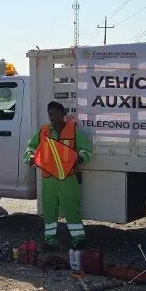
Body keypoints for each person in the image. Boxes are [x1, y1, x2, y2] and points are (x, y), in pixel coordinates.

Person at [23, 100, 93, 250]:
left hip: (67, 179)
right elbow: (31, 147)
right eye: (49, 114)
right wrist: (29, 156)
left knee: (71, 209)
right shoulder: (43, 131)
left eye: (54, 113)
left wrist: (81, 157)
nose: (51, 116)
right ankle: (50, 242)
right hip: (48, 179)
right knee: (49, 211)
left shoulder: (74, 132)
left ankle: (79, 240)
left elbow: (85, 150)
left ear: (63, 114)